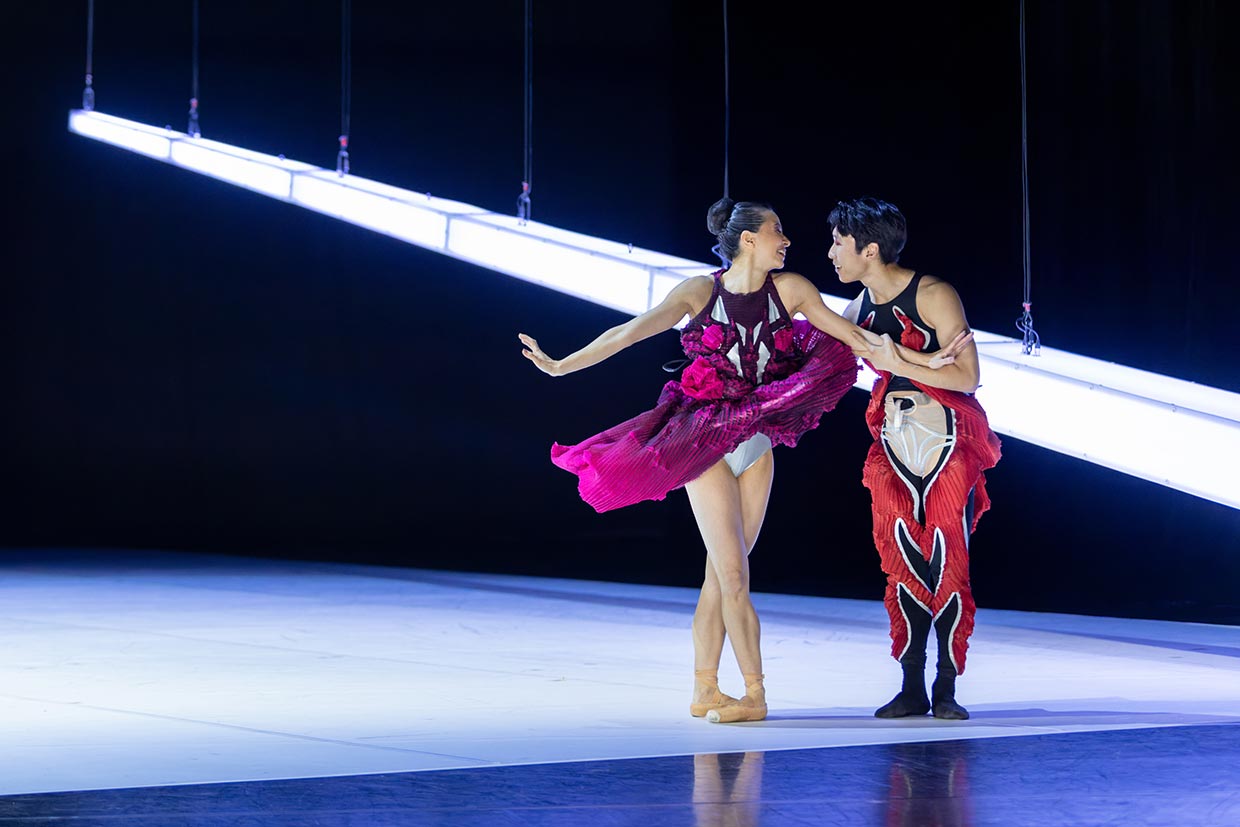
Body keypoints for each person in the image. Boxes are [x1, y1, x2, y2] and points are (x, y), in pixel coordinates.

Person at [519, 197, 963, 723]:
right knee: (732, 576)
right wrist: (562, 366)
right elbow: (629, 331)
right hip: (704, 443)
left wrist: (923, 360)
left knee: (721, 575)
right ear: (749, 239)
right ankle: (755, 695)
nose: (788, 239)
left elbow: (856, 339)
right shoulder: (698, 292)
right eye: (778, 230)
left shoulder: (792, 289)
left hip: (758, 445)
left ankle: (704, 688)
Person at [830, 197, 1002, 720]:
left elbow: (967, 377)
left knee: (947, 560)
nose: (831, 253)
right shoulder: (856, 309)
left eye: (838, 242)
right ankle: (911, 685)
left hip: (947, 439)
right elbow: (829, 360)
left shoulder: (933, 294)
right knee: (900, 559)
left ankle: (946, 686)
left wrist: (898, 360)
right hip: (892, 443)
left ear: (869, 249)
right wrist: (916, 358)